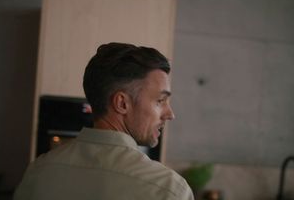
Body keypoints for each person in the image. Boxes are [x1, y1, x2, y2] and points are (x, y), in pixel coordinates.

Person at [14, 42, 194, 200]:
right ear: (122, 103)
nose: (170, 114)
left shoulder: (38, 171)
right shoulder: (169, 190)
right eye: (160, 101)